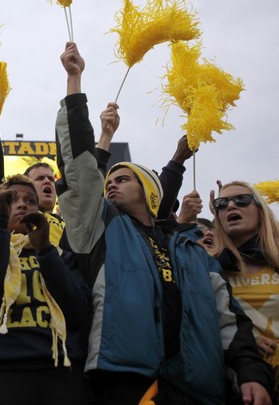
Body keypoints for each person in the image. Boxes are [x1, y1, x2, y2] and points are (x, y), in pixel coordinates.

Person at [54, 41, 272, 404]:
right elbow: (80, 170)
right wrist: (74, 82)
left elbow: (228, 320)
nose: (110, 185)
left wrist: (251, 373)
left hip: (199, 388)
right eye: (108, 182)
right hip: (127, 383)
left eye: (122, 179)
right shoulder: (101, 232)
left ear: (151, 193)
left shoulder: (192, 247)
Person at [0, 175, 91, 405]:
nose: (22, 204)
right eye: (12, 200)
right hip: (1, 373)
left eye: (30, 201)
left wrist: (45, 250)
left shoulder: (62, 255)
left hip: (61, 373)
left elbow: (77, 310)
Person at [211, 181, 279, 400]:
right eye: (222, 204)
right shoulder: (208, 268)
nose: (231, 206)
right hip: (239, 386)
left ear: (261, 210)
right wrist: (246, 342)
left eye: (241, 200)